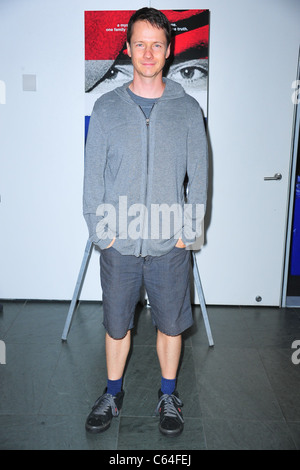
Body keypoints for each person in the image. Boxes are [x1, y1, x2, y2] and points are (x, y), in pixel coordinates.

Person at [83, 7, 208, 437]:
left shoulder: (188, 109)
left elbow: (200, 177)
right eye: (140, 43)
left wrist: (188, 234)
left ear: (169, 51)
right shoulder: (105, 108)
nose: (149, 52)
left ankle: (168, 395)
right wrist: (101, 231)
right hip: (119, 243)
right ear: (128, 48)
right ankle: (112, 393)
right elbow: (92, 178)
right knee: (117, 325)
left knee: (171, 325)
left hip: (169, 244)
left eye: (157, 44)